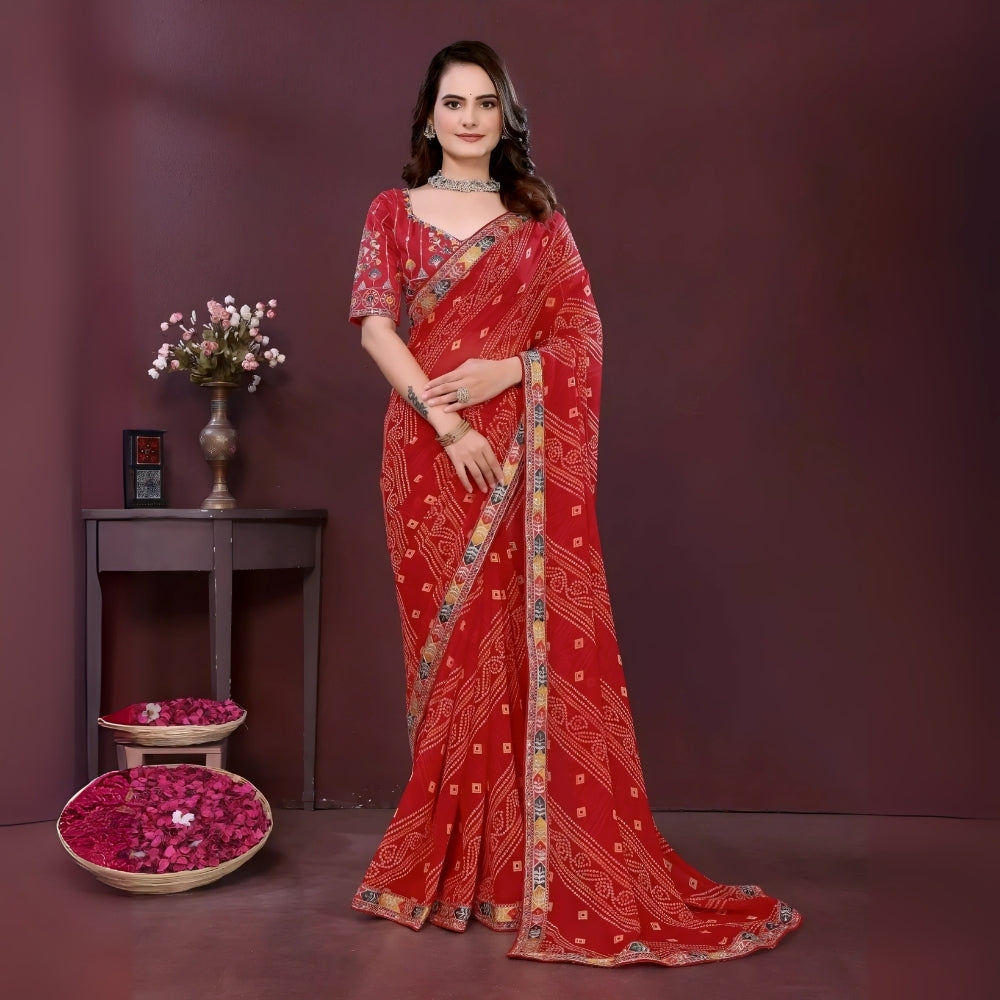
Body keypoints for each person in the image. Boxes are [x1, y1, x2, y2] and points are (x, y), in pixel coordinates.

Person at [349, 39, 801, 967]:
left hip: (519, 455)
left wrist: (506, 371)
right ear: (427, 116)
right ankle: (451, 867)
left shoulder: (536, 218)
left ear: (504, 116)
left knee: (512, 652)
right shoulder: (390, 212)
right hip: (432, 461)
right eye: (452, 103)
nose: (467, 118)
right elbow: (376, 324)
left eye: (484, 104)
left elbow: (581, 332)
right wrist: (448, 421)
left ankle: (515, 872)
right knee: (449, 665)